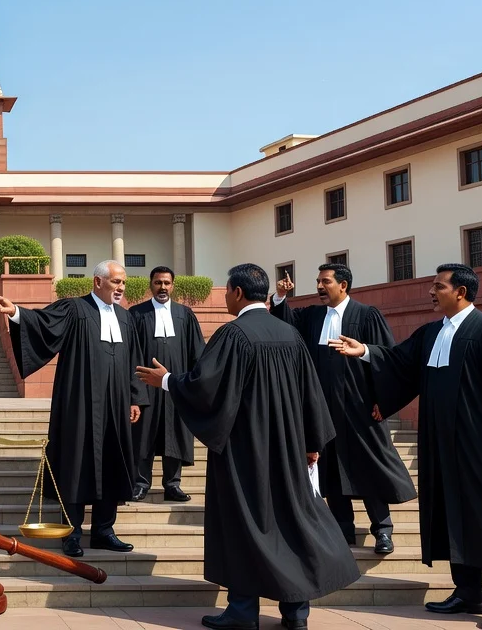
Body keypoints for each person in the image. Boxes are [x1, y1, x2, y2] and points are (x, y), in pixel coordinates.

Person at [331, 264, 482, 629]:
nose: (431, 292)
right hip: (441, 444)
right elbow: (400, 362)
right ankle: (467, 592)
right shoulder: (432, 332)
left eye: (438, 286)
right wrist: (364, 351)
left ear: (461, 292)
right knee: (453, 512)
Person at [135, 263, 360, 630]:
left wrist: (167, 381)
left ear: (238, 292)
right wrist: (311, 443)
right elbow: (311, 392)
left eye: (227, 290)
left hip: (244, 452)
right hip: (288, 450)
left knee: (242, 524)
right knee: (291, 522)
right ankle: (296, 612)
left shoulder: (234, 335)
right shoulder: (289, 334)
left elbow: (206, 387)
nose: (225, 296)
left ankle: (242, 611)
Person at [0, 259, 146, 556]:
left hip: (116, 405)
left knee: (112, 462)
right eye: (116, 282)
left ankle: (104, 531)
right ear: (98, 282)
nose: (121, 287)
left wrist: (136, 398)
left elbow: (135, 359)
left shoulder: (125, 318)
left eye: (123, 282)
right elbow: (44, 324)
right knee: (76, 464)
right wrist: (17, 312)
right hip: (80, 404)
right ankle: (71, 533)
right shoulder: (75, 309)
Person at [271, 264, 415, 555]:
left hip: (361, 410)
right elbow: (286, 323)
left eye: (325, 281)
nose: (319, 286)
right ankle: (343, 530)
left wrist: (383, 401)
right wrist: (280, 297)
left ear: (343, 285)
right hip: (324, 409)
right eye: (317, 281)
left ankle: (382, 530)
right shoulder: (313, 315)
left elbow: (388, 357)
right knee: (331, 471)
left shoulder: (366, 315)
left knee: (370, 468)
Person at [127, 266, 205, 503]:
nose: (162, 287)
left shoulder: (185, 314)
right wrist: (134, 393)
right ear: (150, 284)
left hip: (175, 386)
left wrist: (194, 386)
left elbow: (197, 353)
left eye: (166, 283)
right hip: (145, 386)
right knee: (143, 436)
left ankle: (172, 485)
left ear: (173, 285)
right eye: (158, 282)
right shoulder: (136, 314)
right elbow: (129, 355)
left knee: (174, 435)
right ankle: (141, 484)